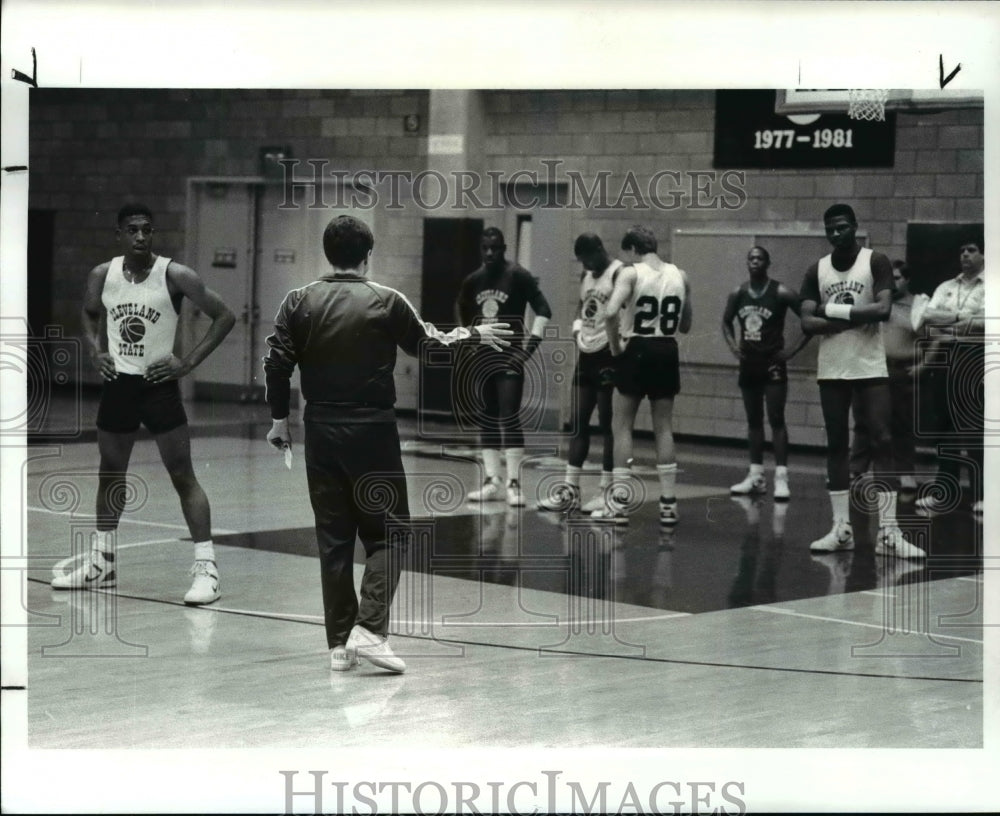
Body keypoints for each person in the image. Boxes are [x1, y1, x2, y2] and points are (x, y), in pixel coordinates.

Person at [262, 215, 512, 674]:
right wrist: (475, 334)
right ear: (368, 254)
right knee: (391, 531)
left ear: (327, 252)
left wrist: (280, 419)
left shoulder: (297, 302)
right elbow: (430, 346)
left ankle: (339, 647)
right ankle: (371, 628)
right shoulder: (385, 300)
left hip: (319, 430)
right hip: (371, 430)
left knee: (334, 540)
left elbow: (276, 365)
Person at [52, 203, 237, 604]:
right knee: (110, 473)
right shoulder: (103, 274)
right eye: (132, 230)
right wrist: (94, 349)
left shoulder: (175, 275)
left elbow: (224, 316)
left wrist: (186, 363)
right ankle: (102, 560)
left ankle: (207, 570)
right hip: (119, 385)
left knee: (182, 476)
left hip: (158, 387)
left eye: (147, 230)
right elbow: (86, 314)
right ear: (119, 235)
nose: (140, 236)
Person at [799, 203, 925, 558]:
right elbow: (806, 323)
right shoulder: (817, 270)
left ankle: (890, 533)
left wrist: (832, 311)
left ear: (854, 226)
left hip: (870, 366)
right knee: (837, 444)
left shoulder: (875, 261)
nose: (836, 234)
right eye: (830, 229)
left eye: (841, 227)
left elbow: (883, 310)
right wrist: (856, 316)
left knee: (883, 439)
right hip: (833, 367)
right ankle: (841, 530)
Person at [591, 225, 692, 526]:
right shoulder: (680, 275)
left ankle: (619, 503)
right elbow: (685, 325)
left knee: (622, 425)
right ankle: (669, 504)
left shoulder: (631, 273)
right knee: (664, 427)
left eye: (627, 253)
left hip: (636, 348)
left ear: (632, 249)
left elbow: (610, 312)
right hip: (666, 348)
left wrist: (615, 345)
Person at [456, 227, 553, 507]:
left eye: (495, 248)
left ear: (504, 248)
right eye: (485, 248)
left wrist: (527, 352)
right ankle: (492, 480)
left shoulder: (518, 275)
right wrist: (468, 340)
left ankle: (513, 482)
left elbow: (544, 310)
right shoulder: (473, 280)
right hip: (483, 358)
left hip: (511, 357)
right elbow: (460, 307)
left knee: (508, 415)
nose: (489, 253)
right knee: (487, 415)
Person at [537, 233, 622, 514]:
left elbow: (626, 310)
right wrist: (576, 326)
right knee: (578, 421)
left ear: (600, 249)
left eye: (589, 258)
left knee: (609, 423)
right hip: (586, 355)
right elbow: (582, 304)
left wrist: (619, 342)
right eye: (582, 261)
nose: (587, 265)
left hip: (609, 354)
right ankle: (570, 489)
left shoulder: (619, 272)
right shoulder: (587, 275)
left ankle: (607, 491)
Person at [722, 246, 808, 500]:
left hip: (772, 363)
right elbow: (725, 322)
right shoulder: (738, 292)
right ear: (746, 263)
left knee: (776, 418)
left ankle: (781, 478)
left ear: (767, 263)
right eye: (751, 258)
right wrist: (733, 347)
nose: (755, 262)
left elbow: (809, 320)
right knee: (753, 420)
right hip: (749, 364)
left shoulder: (781, 292)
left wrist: (791, 351)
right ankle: (756, 476)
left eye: (759, 258)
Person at [913, 237, 985, 515]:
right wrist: (963, 319)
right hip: (946, 357)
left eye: (972, 250)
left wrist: (951, 319)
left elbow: (989, 322)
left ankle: (983, 495)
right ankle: (945, 492)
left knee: (974, 427)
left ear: (983, 255)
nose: (965, 255)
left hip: (975, 357)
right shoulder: (946, 286)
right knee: (944, 427)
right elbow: (927, 318)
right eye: (962, 251)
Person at [849, 260, 919, 494]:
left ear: (907, 279)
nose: (892, 282)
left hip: (900, 370)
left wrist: (922, 363)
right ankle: (857, 470)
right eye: (889, 278)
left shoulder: (918, 306)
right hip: (871, 368)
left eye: (897, 277)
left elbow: (935, 340)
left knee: (901, 423)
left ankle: (905, 472)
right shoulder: (876, 303)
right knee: (864, 421)